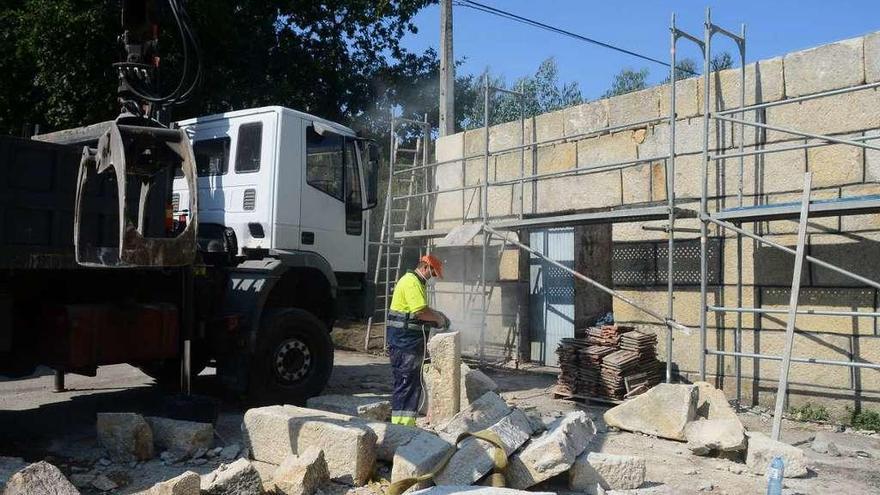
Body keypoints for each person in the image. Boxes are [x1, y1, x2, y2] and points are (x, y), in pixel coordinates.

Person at [386, 254, 449, 426]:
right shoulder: (412, 282)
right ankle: (402, 426)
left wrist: (436, 314)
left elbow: (421, 309)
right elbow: (420, 311)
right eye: (433, 273)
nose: (433, 278)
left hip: (405, 341)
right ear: (425, 267)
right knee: (406, 382)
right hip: (404, 341)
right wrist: (438, 319)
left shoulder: (415, 282)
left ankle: (402, 423)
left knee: (409, 382)